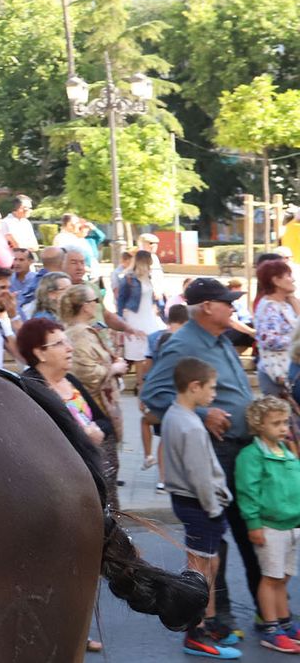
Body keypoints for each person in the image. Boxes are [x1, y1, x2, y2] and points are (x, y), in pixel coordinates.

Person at [143, 279, 261, 644]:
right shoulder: (183, 343)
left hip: (243, 447)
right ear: (207, 306)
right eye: (228, 303)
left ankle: (267, 610)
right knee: (216, 539)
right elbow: (153, 393)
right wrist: (205, 413)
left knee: (250, 529)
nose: (233, 308)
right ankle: (217, 617)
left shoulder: (222, 338)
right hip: (216, 450)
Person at [160, 356, 244, 660]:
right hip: (200, 504)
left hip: (186, 501)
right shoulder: (191, 426)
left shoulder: (174, 414)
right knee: (200, 569)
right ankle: (195, 632)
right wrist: (213, 508)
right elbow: (200, 476)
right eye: (211, 388)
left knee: (207, 564)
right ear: (194, 387)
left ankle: (205, 623)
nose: (213, 395)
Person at [18, 316, 116, 510]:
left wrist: (97, 432)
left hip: (94, 474)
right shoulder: (31, 390)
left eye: (67, 342)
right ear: (40, 353)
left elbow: (104, 422)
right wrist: (84, 438)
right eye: (60, 343)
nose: (69, 348)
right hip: (65, 488)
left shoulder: (70, 380)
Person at [236, 395, 300, 653]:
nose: (284, 428)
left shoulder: (285, 451)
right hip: (270, 526)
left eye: (285, 422)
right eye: (276, 423)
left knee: (283, 577)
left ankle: (285, 623)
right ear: (259, 425)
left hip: (291, 524)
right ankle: (270, 628)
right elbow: (247, 492)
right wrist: (253, 524)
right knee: (271, 578)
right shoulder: (251, 456)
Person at [59, 284, 125, 506]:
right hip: (94, 415)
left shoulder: (84, 331)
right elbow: (86, 374)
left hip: (98, 412)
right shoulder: (78, 334)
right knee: (106, 479)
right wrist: (113, 370)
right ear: (85, 306)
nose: (97, 305)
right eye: (94, 301)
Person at [145, 303, 193, 477]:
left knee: (166, 436)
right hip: (176, 391)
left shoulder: (154, 338)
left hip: (160, 392)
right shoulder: (184, 339)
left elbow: (147, 366)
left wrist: (142, 388)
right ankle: (167, 476)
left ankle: (162, 477)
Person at [254, 258, 300, 397]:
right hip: (279, 374)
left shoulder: (284, 305)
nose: (292, 280)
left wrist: (292, 298)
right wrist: (295, 341)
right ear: (276, 281)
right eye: (288, 276)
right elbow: (269, 340)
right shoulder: (270, 307)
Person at [115, 249, 167, 365]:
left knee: (152, 344)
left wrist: (161, 312)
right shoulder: (128, 279)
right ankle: (139, 381)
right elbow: (121, 300)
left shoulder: (150, 277)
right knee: (138, 351)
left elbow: (154, 298)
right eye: (149, 262)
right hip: (134, 316)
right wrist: (120, 321)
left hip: (149, 315)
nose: (151, 266)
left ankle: (144, 378)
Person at [9, 247, 41, 314]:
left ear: (31, 261)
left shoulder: (38, 280)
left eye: (21, 260)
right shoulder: (8, 280)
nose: (17, 263)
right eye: (15, 259)